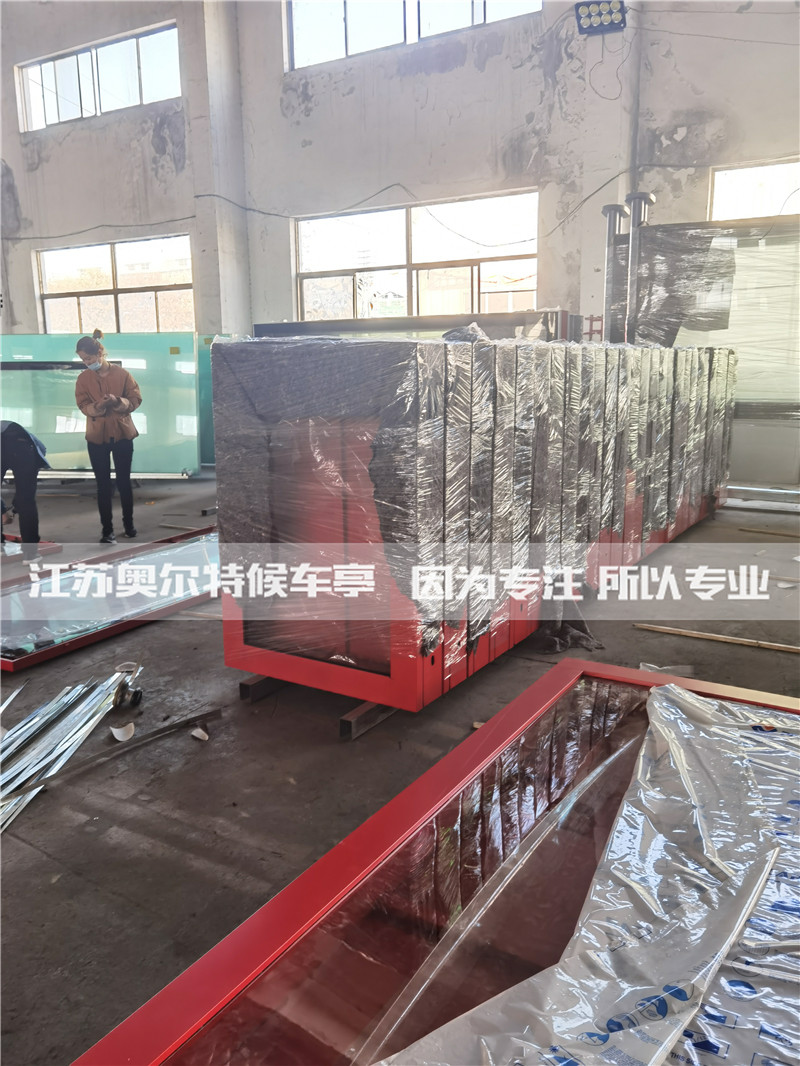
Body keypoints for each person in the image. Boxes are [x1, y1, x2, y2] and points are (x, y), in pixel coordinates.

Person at [75, 329, 142, 545]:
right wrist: (99, 406)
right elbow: (82, 405)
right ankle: (107, 531)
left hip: (122, 435)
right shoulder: (83, 379)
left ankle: (129, 526)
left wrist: (117, 401)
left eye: (89, 358)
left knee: (124, 482)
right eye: (83, 359)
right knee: (102, 485)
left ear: (100, 353)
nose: (86, 363)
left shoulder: (122, 374)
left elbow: (135, 400)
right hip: (97, 438)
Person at [1, 420, 51, 564]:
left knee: (23, 500)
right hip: (20, 445)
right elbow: (25, 492)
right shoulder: (35, 448)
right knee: (27, 501)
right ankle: (30, 555)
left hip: (10, 441)